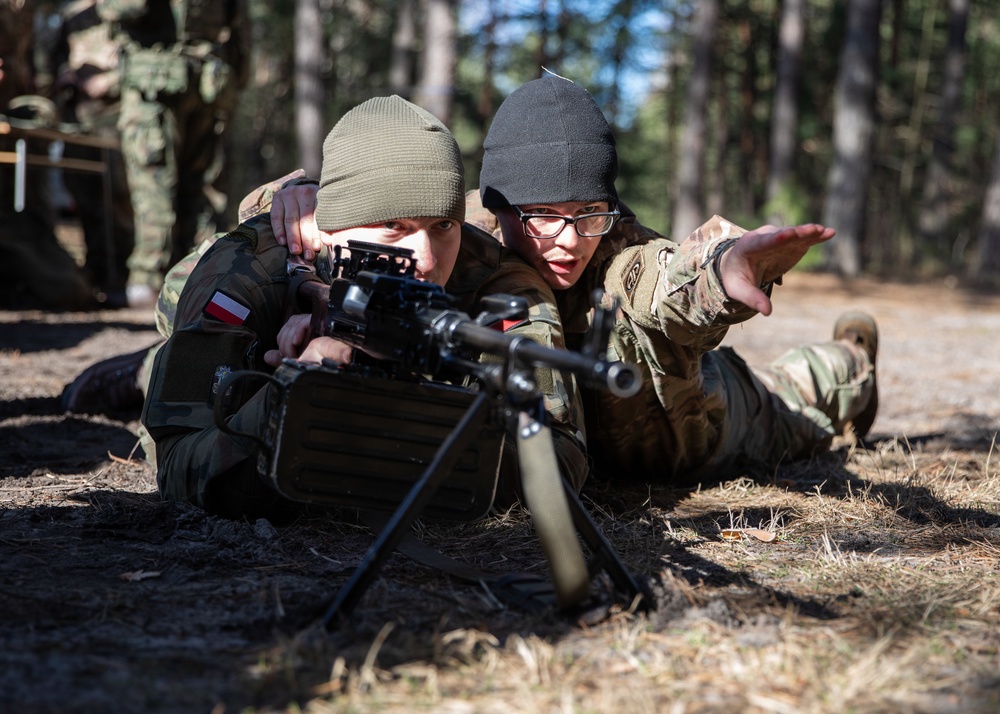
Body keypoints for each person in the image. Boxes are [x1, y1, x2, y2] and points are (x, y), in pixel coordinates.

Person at [267, 74, 878, 487]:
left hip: (698, 424)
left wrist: (723, 273)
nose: (568, 238)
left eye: (587, 212)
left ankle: (851, 358)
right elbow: (359, 215)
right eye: (541, 216)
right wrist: (292, 196)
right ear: (497, 208)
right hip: (575, 445)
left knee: (802, 405)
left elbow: (666, 280)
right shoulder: (451, 232)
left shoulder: (621, 252)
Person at [139, 95, 587, 519]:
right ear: (327, 228)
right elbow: (178, 469)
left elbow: (562, 459)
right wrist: (285, 398)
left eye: (444, 225)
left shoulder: (497, 283)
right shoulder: (246, 271)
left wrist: (383, 408)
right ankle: (133, 369)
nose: (427, 259)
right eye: (394, 225)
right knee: (158, 370)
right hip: (193, 297)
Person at [97, 0, 249, 307]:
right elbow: (240, 27)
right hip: (204, 81)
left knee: (157, 181)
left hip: (159, 84)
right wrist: (236, 78)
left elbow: (122, 8)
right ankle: (197, 279)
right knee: (194, 186)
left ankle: (154, 281)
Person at [50, 0, 135, 306]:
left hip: (118, 118)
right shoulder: (72, 16)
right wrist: (66, 76)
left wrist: (109, 81)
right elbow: (55, 60)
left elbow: (141, 58)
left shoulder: (128, 9)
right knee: (84, 197)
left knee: (119, 199)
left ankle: (123, 280)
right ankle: (97, 276)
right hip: (79, 120)